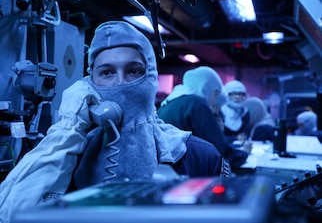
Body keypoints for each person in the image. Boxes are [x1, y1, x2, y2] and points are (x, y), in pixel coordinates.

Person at [0, 21, 230, 222]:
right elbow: (13, 213)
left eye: (134, 71)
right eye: (107, 72)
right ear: (90, 83)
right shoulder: (70, 154)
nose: (121, 82)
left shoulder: (200, 156)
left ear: (150, 78)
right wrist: (70, 127)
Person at [157, 66, 249, 168]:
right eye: (215, 94)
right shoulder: (197, 104)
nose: (213, 102)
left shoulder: (170, 101)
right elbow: (220, 150)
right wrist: (243, 154)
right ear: (209, 89)